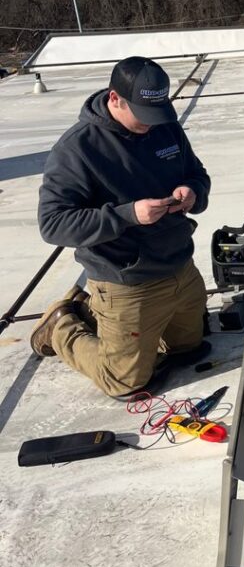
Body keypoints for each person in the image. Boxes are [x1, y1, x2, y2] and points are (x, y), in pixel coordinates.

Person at [32, 56, 211, 398]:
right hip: (127, 278)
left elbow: (197, 174)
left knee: (188, 348)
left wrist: (193, 191)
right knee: (126, 382)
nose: (151, 124)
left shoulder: (164, 126)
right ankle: (60, 325)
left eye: (157, 113)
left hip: (180, 264)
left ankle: (92, 310)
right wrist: (128, 215)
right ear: (115, 98)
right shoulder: (77, 149)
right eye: (143, 114)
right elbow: (52, 224)